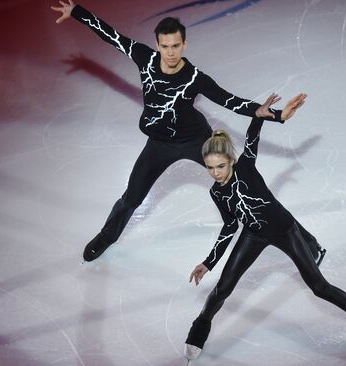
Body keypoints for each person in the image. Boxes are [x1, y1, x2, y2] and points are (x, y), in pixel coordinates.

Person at [51, 1, 306, 262]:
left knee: (246, 181)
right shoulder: (144, 58)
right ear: (157, 44)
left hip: (196, 140)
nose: (170, 53)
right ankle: (107, 236)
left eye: (175, 46)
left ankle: (299, 235)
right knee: (131, 197)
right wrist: (77, 12)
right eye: (164, 46)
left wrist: (274, 115)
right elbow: (111, 36)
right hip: (159, 144)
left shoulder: (195, 77)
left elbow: (227, 99)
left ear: (184, 45)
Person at [185, 94, 346, 361]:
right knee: (222, 289)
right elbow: (229, 227)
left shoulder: (246, 167)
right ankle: (200, 328)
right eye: (210, 168)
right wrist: (208, 263)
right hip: (252, 234)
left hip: (285, 229)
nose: (216, 173)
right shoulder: (216, 193)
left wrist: (263, 115)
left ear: (230, 159)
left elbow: (253, 136)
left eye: (220, 166)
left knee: (319, 287)